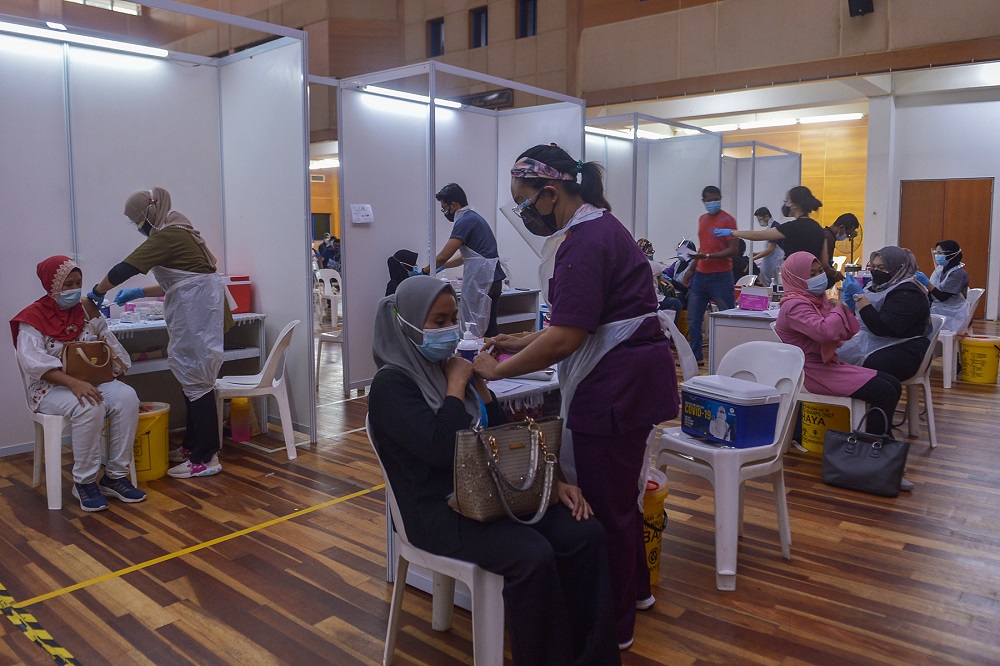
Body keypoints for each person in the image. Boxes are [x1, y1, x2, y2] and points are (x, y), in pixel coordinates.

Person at [472, 144, 679, 651]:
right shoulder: (601, 230)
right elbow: (580, 324)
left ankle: (615, 629)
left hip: (616, 390)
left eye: (524, 202)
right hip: (627, 380)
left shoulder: (585, 242)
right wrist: (521, 342)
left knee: (606, 509)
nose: (523, 213)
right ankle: (637, 594)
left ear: (551, 191)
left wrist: (496, 371)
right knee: (621, 500)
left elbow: (567, 338)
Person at [368, 275, 620, 666]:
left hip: (492, 493)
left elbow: (505, 437)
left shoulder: (453, 369)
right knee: (531, 555)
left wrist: (553, 484)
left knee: (584, 534)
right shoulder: (391, 385)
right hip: (438, 511)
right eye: (438, 321)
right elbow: (439, 451)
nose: (450, 329)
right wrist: (456, 387)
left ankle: (590, 658)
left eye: (453, 318)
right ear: (408, 323)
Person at [88, 187, 228, 479]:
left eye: (136, 221)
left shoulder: (168, 234)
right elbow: (181, 279)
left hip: (197, 315)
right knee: (193, 381)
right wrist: (140, 293)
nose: (137, 227)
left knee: (197, 382)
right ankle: (192, 447)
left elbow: (125, 268)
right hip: (199, 309)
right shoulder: (181, 229)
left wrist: (96, 292)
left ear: (146, 215)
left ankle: (206, 456)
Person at [11, 256, 146, 512]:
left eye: (78, 283)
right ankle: (84, 482)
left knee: (127, 396)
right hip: (50, 388)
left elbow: (109, 347)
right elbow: (33, 363)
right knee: (89, 404)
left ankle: (114, 476)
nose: (74, 289)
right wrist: (72, 383)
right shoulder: (32, 318)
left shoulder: (84, 310)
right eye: (67, 284)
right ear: (51, 286)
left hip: (90, 381)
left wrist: (120, 376)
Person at [773, 252, 908, 489]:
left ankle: (881, 449)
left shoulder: (814, 300)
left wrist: (837, 308)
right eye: (810, 274)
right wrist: (838, 308)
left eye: (818, 272)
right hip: (811, 372)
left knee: (892, 383)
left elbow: (845, 332)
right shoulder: (794, 306)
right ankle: (874, 461)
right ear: (795, 278)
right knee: (883, 391)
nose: (818, 278)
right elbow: (826, 332)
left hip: (826, 365)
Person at [838, 246, 932, 383]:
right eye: (874, 267)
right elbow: (864, 318)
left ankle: (870, 399)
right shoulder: (875, 285)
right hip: (875, 339)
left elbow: (881, 327)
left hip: (905, 346)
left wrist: (860, 297)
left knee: (872, 365)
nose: (877, 272)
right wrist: (851, 307)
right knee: (833, 352)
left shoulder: (910, 293)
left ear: (899, 268)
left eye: (882, 268)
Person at [424, 182, 506, 338]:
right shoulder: (475, 218)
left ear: (454, 205)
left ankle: (474, 361)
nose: (445, 212)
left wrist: (424, 271)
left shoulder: (464, 221)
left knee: (473, 330)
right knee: (489, 329)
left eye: (444, 208)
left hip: (482, 280)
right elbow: (464, 257)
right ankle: (492, 361)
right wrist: (441, 267)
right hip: (494, 279)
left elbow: (443, 255)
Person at [717, 186, 832, 284]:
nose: (786, 204)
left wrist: (732, 232)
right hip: (815, 281)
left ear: (795, 205)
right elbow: (824, 263)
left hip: (796, 281)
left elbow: (758, 235)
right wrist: (834, 274)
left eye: (788, 201)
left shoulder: (791, 227)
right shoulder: (819, 229)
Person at [683, 185, 738, 362]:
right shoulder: (702, 219)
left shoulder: (728, 220)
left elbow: (733, 249)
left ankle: (731, 356)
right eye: (709, 199)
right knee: (693, 318)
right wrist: (691, 269)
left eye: (716, 198)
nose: (713, 202)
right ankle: (695, 357)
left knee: (727, 317)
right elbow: (703, 247)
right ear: (704, 201)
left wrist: (707, 256)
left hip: (721, 276)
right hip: (700, 276)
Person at [915, 240, 971, 332]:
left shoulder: (958, 274)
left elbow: (943, 297)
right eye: (936, 252)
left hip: (953, 313)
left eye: (940, 253)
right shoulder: (941, 269)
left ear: (952, 254)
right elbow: (932, 293)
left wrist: (927, 283)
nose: (937, 255)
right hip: (940, 308)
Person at [637, 238, 682, 316]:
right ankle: (671, 327)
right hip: (650, 299)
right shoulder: (653, 265)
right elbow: (663, 273)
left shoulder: (632, 264)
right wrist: (668, 281)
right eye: (651, 251)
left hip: (637, 299)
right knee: (676, 303)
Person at [822, 213, 861, 286]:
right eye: (847, 234)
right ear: (842, 227)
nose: (847, 237)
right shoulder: (828, 238)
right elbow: (824, 264)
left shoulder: (826, 234)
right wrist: (835, 274)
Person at [751, 207, 785, 287]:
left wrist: (753, 259)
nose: (760, 222)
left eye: (760, 219)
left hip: (774, 261)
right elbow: (770, 248)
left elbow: (770, 249)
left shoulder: (774, 228)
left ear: (766, 217)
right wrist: (757, 254)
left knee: (773, 284)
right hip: (770, 260)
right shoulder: (770, 227)